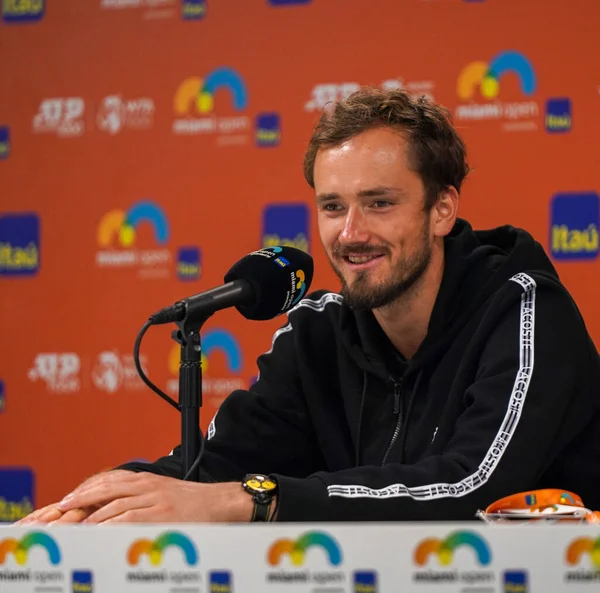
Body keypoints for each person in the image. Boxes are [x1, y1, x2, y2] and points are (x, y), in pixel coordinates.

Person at [19, 87, 600, 525]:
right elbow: (212, 470)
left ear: (442, 209)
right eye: (331, 207)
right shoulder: (318, 331)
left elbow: (472, 485)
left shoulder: (525, 312)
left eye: (378, 203)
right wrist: (101, 501)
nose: (351, 233)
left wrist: (254, 500)